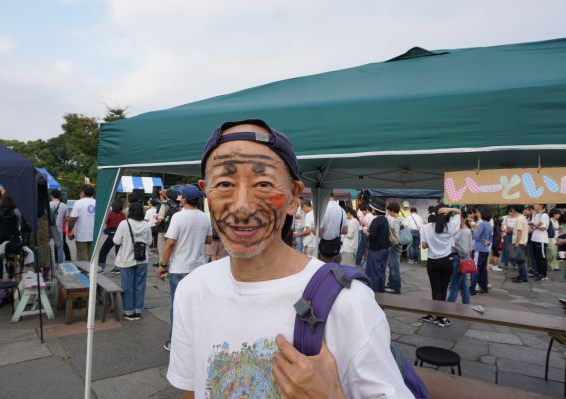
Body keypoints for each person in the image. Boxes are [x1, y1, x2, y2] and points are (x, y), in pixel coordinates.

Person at [166, 119, 412, 398]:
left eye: (263, 183)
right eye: (224, 183)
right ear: (207, 193)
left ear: (293, 197)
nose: (243, 207)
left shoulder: (347, 303)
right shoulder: (193, 290)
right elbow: (191, 389)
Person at [157, 184, 212, 351]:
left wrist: (162, 265)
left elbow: (170, 243)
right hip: (198, 268)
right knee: (196, 306)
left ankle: (175, 341)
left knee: (177, 306)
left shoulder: (179, 217)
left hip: (179, 268)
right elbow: (209, 240)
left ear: (185, 199)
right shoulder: (204, 217)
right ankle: (195, 339)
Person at [420, 204, 461, 327]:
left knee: (435, 289)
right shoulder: (451, 227)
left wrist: (432, 243)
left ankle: (434, 314)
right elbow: (459, 212)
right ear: (448, 215)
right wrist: (450, 210)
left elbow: (423, 246)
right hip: (447, 261)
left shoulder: (426, 228)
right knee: (443, 289)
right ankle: (441, 317)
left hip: (432, 261)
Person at [112, 202, 152, 321]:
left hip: (126, 260)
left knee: (127, 287)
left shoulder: (124, 224)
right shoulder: (146, 225)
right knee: (140, 286)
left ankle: (128, 312)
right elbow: (149, 242)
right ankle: (138, 311)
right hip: (142, 260)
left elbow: (116, 241)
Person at [0, 192, 22, 281]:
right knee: (11, 257)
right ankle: (10, 278)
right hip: (13, 237)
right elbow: (19, 223)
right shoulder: (16, 210)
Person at [365, 198, 391, 293]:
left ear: (376, 210)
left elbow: (372, 236)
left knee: (373, 273)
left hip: (376, 250)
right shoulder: (384, 219)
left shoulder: (377, 220)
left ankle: (375, 294)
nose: (371, 210)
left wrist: (365, 232)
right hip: (385, 249)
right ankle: (381, 292)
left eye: (372, 208)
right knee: (381, 272)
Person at [447, 215, 472, 304]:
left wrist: (454, 246)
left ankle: (446, 310)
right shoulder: (462, 230)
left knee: (454, 286)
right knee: (463, 286)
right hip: (461, 260)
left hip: (459, 260)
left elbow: (464, 250)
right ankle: (466, 305)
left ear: (463, 219)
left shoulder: (465, 232)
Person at [68, 185, 96, 261]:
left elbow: (72, 219)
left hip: (81, 234)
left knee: (82, 256)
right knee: (91, 255)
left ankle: (85, 271)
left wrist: (69, 230)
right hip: (94, 234)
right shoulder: (97, 202)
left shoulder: (78, 203)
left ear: (83, 193)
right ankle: (90, 271)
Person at [98, 200, 126, 273]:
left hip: (112, 233)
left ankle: (101, 267)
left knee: (104, 250)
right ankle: (118, 267)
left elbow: (107, 223)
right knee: (118, 251)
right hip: (121, 234)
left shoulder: (110, 214)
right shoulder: (123, 215)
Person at [319, 193, 348, 263]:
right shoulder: (342, 210)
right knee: (336, 271)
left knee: (326, 271)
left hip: (325, 250)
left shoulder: (323, 209)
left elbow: (318, 230)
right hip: (337, 248)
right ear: (333, 196)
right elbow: (345, 231)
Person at [155, 189, 181, 266]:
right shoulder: (179, 206)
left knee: (162, 252)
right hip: (174, 232)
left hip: (163, 231)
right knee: (173, 251)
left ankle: (163, 268)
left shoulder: (164, 205)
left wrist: (157, 223)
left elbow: (160, 219)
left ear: (167, 196)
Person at [471, 206, 492, 295]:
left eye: (479, 212)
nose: (478, 214)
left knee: (475, 269)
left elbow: (476, 236)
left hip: (478, 249)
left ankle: (472, 289)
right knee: (483, 269)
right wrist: (487, 242)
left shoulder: (482, 224)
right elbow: (490, 238)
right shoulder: (489, 224)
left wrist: (473, 229)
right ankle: (484, 287)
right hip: (485, 249)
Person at [529, 204, 550, 281]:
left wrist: (534, 224)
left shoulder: (544, 215)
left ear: (541, 205)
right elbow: (534, 226)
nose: (534, 205)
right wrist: (533, 225)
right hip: (534, 238)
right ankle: (538, 272)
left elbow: (543, 228)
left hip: (541, 239)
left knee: (542, 258)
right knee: (536, 257)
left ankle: (543, 274)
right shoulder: (535, 214)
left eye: (536, 204)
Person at [385, 201, 402, 294]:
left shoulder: (396, 220)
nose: (388, 213)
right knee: (392, 265)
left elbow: (395, 236)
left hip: (395, 245)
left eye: (388, 211)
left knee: (394, 266)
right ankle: (391, 284)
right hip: (398, 244)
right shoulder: (400, 219)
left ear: (392, 211)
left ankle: (396, 287)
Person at [509, 205, 529, 283]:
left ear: (514, 210)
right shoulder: (522, 218)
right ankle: (521, 276)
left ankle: (523, 277)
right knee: (519, 261)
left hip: (520, 242)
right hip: (522, 242)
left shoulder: (519, 219)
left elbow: (519, 231)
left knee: (520, 261)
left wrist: (517, 243)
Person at [49, 189, 69, 264]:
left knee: (49, 247)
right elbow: (67, 218)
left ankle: (50, 264)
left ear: (51, 195)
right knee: (60, 247)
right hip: (59, 229)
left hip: (49, 229)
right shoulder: (64, 206)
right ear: (60, 196)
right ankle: (60, 264)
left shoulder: (48, 204)